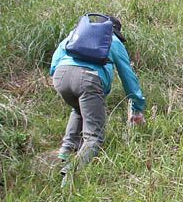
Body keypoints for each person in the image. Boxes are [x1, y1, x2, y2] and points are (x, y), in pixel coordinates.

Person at [50, 15, 146, 175]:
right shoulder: (113, 40)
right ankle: (71, 173)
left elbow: (54, 63)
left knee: (79, 109)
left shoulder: (75, 33)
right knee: (94, 136)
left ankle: (65, 152)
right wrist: (136, 107)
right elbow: (128, 77)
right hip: (88, 79)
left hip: (61, 77)